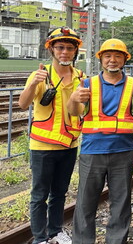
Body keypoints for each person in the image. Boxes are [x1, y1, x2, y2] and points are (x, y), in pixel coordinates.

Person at [68, 39, 133, 244]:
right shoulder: (87, 83)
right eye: (108, 56)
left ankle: (116, 241)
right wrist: (75, 98)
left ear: (124, 59)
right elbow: (74, 112)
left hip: (123, 152)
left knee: (120, 204)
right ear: (101, 59)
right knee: (86, 203)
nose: (112, 60)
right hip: (92, 151)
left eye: (117, 56)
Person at [18, 27, 84, 244]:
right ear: (52, 50)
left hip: (69, 144)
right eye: (60, 47)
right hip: (43, 146)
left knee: (59, 193)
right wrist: (35, 83)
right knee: (39, 196)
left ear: (75, 51)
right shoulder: (41, 74)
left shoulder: (80, 78)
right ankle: (40, 238)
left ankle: (55, 232)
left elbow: (80, 112)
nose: (64, 52)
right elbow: (22, 104)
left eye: (69, 48)